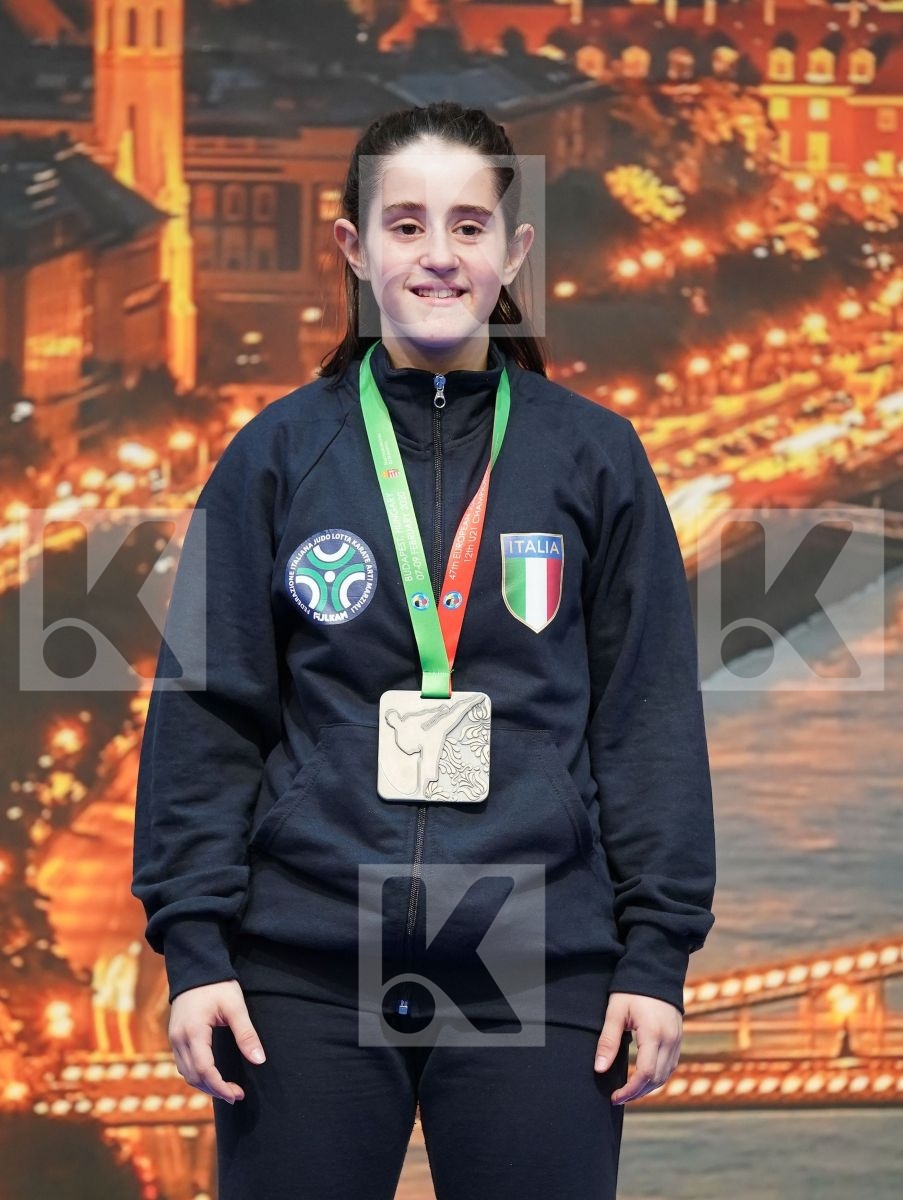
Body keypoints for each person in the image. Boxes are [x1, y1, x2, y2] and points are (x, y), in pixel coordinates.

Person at [132, 100, 716, 1200]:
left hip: (539, 968)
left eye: (467, 226)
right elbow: (208, 713)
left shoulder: (594, 456)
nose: (438, 256)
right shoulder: (275, 456)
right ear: (353, 248)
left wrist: (656, 960)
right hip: (301, 974)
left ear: (514, 252)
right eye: (405, 226)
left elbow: (646, 721)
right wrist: (196, 950)